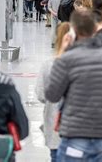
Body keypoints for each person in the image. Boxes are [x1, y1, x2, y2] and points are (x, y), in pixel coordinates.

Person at [45, 9, 102, 161]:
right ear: (95, 28)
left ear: (73, 30)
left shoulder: (67, 60)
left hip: (74, 135)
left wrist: (61, 52)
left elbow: (51, 94)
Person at [36, 22, 71, 161]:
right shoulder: (88, 63)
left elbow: (41, 94)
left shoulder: (49, 65)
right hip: (82, 129)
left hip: (55, 120)